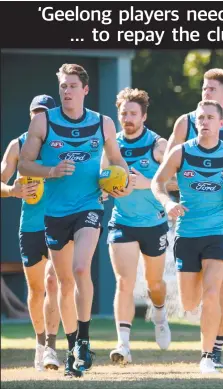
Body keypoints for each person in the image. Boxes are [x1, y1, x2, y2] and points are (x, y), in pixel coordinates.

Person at [18, 63, 131, 377]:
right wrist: (51, 171)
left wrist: (121, 184)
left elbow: (118, 163)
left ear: (85, 90)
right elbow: (25, 165)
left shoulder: (103, 123)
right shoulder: (43, 121)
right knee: (65, 284)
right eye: (62, 86)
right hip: (55, 213)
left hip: (89, 206)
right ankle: (72, 348)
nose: (66, 91)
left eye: (71, 86)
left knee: (81, 268)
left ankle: (84, 338)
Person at [151, 100, 223, 374]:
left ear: (221, 123)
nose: (204, 121)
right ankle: (191, 313)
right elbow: (157, 182)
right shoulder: (181, 152)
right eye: (200, 117)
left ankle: (207, 356)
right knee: (190, 303)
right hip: (187, 235)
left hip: (218, 234)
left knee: (213, 293)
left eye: (210, 117)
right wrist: (167, 203)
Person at [104, 88, 172, 365]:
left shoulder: (158, 145)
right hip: (122, 223)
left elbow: (179, 181)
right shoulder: (112, 145)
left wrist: (148, 183)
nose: (128, 118)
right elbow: (102, 184)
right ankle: (123, 345)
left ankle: (160, 312)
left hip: (154, 223)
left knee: (154, 283)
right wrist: (108, 191)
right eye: (124, 113)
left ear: (144, 116)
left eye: (133, 113)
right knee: (124, 282)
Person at [1, 95, 62, 371]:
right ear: (30, 116)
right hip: (30, 227)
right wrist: (12, 190)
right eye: (35, 112)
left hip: (60, 222)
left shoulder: (63, 144)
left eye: (44, 113)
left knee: (53, 283)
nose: (39, 117)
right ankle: (39, 344)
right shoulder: (18, 144)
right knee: (37, 290)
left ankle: (51, 346)